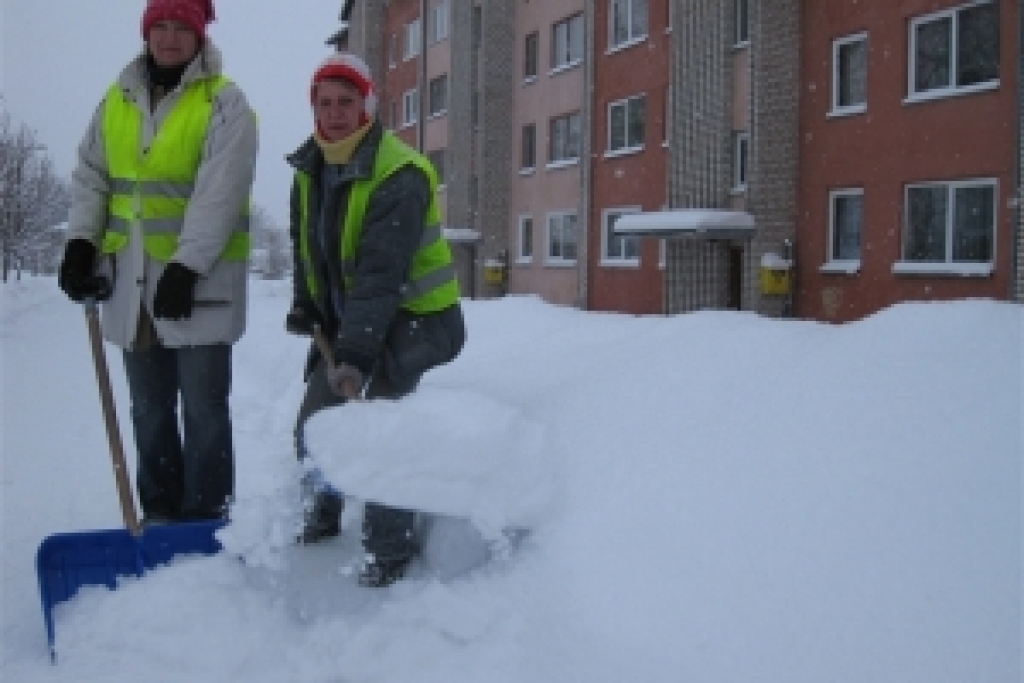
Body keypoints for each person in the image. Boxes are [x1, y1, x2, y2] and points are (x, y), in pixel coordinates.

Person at [57, 0, 259, 524]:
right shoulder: (117, 100)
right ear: (147, 33)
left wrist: (188, 265)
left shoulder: (225, 103)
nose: (169, 38)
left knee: (204, 411)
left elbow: (221, 192)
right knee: (149, 412)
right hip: (131, 286)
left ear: (199, 36)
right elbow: (92, 176)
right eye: (160, 27)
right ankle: (161, 516)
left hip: (200, 285)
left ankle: (207, 519)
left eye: (181, 27)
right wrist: (82, 241)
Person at [285, 53, 465, 587]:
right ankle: (321, 514)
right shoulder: (312, 165)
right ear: (313, 108)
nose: (336, 113)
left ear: (366, 105)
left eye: (347, 102)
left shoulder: (398, 172)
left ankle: (390, 550)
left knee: (377, 428)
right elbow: (306, 249)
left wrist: (357, 357)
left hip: (417, 321)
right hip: (357, 323)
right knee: (315, 425)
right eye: (325, 103)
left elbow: (381, 273)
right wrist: (306, 303)